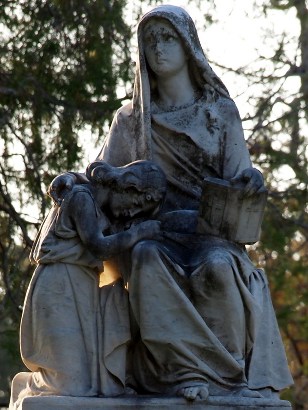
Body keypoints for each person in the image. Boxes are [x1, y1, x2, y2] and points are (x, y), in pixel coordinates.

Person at [49, 5, 293, 402]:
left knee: (216, 267)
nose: (158, 49)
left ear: (187, 46)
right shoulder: (131, 119)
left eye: (167, 39)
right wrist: (72, 183)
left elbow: (240, 176)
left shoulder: (219, 113)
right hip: (155, 232)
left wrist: (250, 181)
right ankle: (178, 373)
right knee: (145, 258)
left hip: (208, 232)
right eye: (149, 42)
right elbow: (104, 179)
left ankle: (226, 375)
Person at [10, 160, 166, 409]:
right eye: (137, 204)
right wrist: (140, 233)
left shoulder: (91, 199)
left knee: (82, 384)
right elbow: (98, 246)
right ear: (128, 186)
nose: (132, 213)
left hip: (82, 288)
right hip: (59, 287)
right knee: (68, 385)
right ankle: (27, 386)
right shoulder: (82, 197)